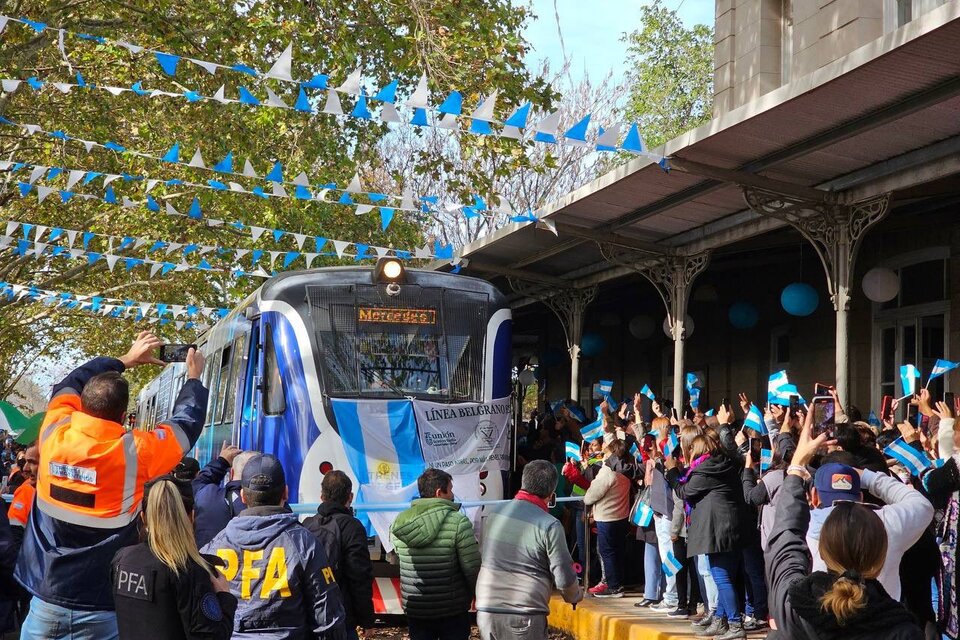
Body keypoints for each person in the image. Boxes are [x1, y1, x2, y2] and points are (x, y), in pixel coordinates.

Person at [15, 332, 208, 640]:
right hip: (103, 605)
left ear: (79, 405)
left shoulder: (52, 430)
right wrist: (194, 378)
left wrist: (124, 360)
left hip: (45, 599)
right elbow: (185, 425)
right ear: (122, 417)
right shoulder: (137, 453)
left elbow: (71, 380)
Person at [765, 413, 922, 640]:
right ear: (880, 556)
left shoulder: (795, 609)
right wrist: (867, 476)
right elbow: (920, 505)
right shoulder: (902, 629)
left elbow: (785, 539)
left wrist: (797, 466)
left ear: (824, 551)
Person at [202, 453, 346, 639]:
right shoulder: (304, 543)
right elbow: (327, 617)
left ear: (243, 496)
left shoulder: (213, 548)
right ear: (285, 493)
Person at [112, 476, 237, 640]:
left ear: (143, 517)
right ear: (191, 517)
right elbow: (210, 636)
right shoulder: (189, 571)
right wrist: (225, 597)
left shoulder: (122, 559)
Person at [475, 460, 583, 640]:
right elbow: (563, 574)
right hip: (524, 614)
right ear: (551, 493)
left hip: (486, 609)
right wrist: (574, 595)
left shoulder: (495, 514)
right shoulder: (549, 525)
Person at [805, 459, 932, 601]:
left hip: (821, 619)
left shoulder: (803, 526)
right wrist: (868, 477)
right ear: (860, 496)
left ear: (814, 497)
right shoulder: (888, 521)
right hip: (886, 618)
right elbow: (922, 505)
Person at [665, 433, 748, 640]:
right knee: (724, 577)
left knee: (721, 577)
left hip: (718, 530)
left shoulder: (706, 470)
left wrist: (672, 471)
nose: (689, 453)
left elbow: (684, 492)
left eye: (691, 449)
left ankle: (736, 626)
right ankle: (721, 620)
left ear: (699, 450)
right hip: (729, 528)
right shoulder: (722, 464)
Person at [390, 468, 480, 640]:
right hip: (452, 608)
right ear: (439, 492)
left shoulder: (400, 522)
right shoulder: (458, 522)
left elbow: (400, 559)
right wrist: (475, 595)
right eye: (450, 489)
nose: (453, 494)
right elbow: (472, 567)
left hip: (416, 607)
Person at [302, 471, 374, 640]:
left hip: (310, 614)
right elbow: (359, 577)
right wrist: (367, 620)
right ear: (350, 496)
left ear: (321, 496)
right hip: (341, 617)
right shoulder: (352, 527)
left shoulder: (307, 525)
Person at [583, 439, 632, 598]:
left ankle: (613, 586)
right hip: (622, 516)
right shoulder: (626, 471)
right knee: (618, 552)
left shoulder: (608, 471)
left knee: (607, 552)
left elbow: (592, 494)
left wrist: (587, 500)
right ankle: (619, 582)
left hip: (607, 517)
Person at [192, 442, 250, 548]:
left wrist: (222, 461)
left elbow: (199, 482)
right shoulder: (270, 504)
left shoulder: (205, 496)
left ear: (231, 473)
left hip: (208, 562)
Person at [7, 441, 37, 548]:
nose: (26, 468)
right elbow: (15, 533)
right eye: (25, 462)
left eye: (33, 462)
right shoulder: (27, 489)